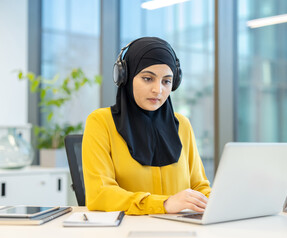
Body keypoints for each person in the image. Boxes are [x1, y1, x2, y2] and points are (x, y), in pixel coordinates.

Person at [82, 37, 211, 215]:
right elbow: (100, 194)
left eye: (166, 81)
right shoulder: (101, 122)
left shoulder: (182, 125)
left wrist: (218, 202)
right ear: (125, 77)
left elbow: (199, 186)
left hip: (181, 230)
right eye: (148, 78)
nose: (158, 90)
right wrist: (164, 204)